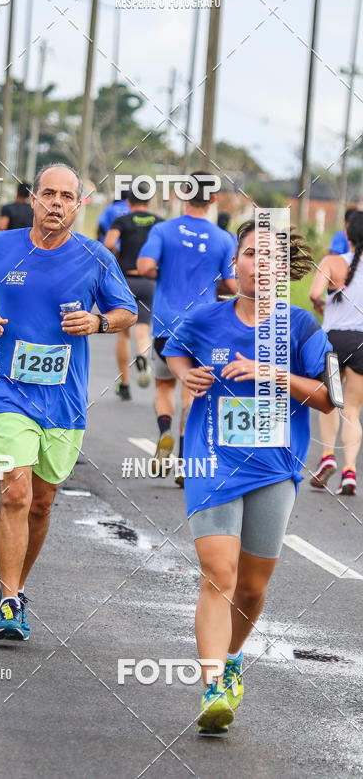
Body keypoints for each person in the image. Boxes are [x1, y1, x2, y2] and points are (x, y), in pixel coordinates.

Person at [164, 220, 334, 734]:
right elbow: (175, 348)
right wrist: (183, 374)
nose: (257, 265)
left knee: (254, 587)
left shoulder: (302, 328)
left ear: (282, 271)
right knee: (219, 572)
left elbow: (329, 397)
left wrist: (270, 373)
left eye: (267, 257)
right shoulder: (206, 319)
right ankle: (213, 685)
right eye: (248, 255)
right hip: (211, 459)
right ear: (234, 264)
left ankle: (233, 656)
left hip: (274, 466)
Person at [0, 163, 137, 640]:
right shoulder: (0, 247)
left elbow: (127, 311)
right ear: (33, 199)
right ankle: (9, 599)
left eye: (67, 197)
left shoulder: (95, 256)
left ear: (79, 206)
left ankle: (18, 586)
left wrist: (98, 323)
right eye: (48, 194)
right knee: (16, 490)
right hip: (7, 387)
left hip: (65, 396)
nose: (56, 203)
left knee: (42, 502)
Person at [137, 175, 237, 486]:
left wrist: (164, 270)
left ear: (183, 195)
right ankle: (183, 463)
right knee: (193, 392)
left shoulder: (163, 229)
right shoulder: (223, 239)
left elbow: (144, 267)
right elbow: (233, 284)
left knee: (164, 387)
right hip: (204, 327)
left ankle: (164, 429)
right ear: (214, 199)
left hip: (167, 324)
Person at [309, 210, 363, 495]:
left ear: (347, 235)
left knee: (329, 402)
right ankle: (350, 472)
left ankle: (327, 456)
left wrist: (322, 306)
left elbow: (314, 294)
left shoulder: (332, 261)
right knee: (353, 410)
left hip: (333, 341)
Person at [104, 180, 163, 398]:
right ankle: (143, 356)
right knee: (143, 328)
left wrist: (118, 255)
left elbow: (109, 244)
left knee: (123, 334)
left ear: (129, 203)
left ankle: (125, 385)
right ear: (149, 202)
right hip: (148, 280)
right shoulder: (159, 223)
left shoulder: (122, 220)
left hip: (125, 280)